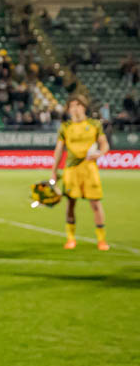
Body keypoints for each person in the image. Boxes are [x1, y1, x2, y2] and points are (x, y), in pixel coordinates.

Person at [51, 93, 109, 251]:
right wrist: (53, 172)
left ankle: (101, 240)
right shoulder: (65, 127)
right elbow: (58, 151)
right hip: (71, 169)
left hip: (89, 169)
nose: (75, 109)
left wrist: (101, 153)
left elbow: (104, 144)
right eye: (71, 106)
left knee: (96, 204)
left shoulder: (95, 124)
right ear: (68, 109)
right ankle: (70, 239)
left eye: (78, 105)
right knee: (70, 204)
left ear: (84, 107)